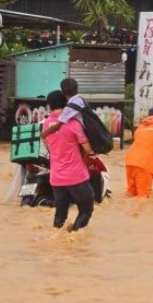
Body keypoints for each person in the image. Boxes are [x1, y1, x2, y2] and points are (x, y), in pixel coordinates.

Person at [43, 91, 94, 232]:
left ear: (49, 106)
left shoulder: (46, 125)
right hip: (76, 177)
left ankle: (57, 241)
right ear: (66, 104)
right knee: (86, 209)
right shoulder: (73, 124)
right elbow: (88, 149)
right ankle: (74, 239)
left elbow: (50, 149)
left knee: (60, 214)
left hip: (57, 179)